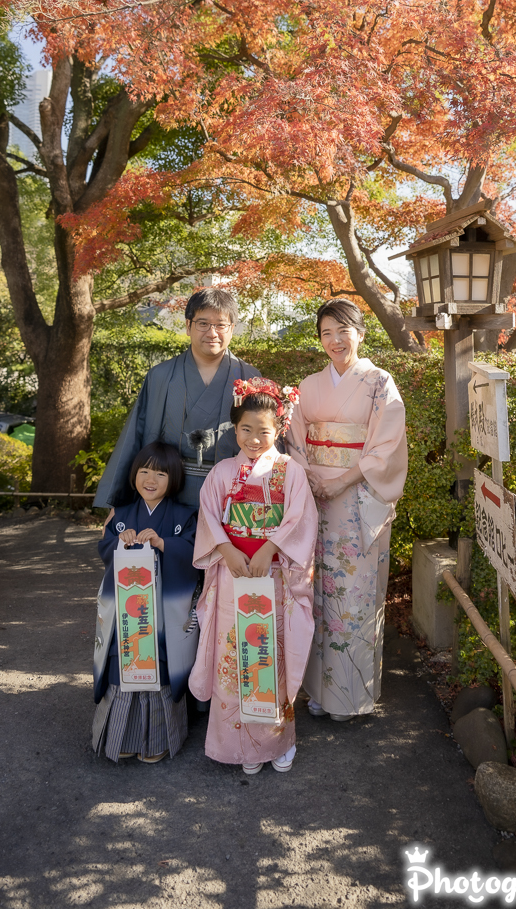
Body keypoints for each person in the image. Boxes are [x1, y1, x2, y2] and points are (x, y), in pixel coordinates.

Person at [287, 298, 408, 722]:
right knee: (312, 591)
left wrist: (341, 479)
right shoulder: (309, 384)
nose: (335, 340)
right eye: (326, 333)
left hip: (356, 499)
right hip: (314, 498)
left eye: (343, 330)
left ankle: (350, 696)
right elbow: (295, 440)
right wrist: (307, 477)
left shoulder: (379, 382)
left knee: (353, 596)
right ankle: (317, 691)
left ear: (360, 332)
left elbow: (386, 444)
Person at [189, 378, 318, 775]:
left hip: (274, 577)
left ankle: (276, 741)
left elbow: (300, 519)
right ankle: (238, 745)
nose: (254, 438)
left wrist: (268, 549)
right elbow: (210, 517)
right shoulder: (223, 471)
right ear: (234, 429)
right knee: (235, 656)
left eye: (264, 430)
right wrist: (227, 550)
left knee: (269, 656)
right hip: (233, 577)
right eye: (245, 429)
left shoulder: (290, 471)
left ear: (279, 430)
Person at [93, 288, 261, 518]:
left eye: (221, 325)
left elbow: (266, 440)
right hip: (167, 492)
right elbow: (137, 436)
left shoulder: (251, 378)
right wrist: (120, 505)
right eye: (203, 323)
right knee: (168, 550)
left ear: (232, 329)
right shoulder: (161, 376)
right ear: (188, 326)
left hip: (231, 494)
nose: (212, 332)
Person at [92, 442, 200, 763]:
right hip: (129, 615)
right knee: (123, 665)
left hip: (163, 617)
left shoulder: (184, 516)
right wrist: (118, 542)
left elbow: (194, 553)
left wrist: (164, 543)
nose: (150, 479)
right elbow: (105, 547)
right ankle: (121, 735)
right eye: (144, 471)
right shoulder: (122, 516)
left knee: (160, 670)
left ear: (175, 478)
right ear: (133, 475)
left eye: (161, 473)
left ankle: (157, 741)